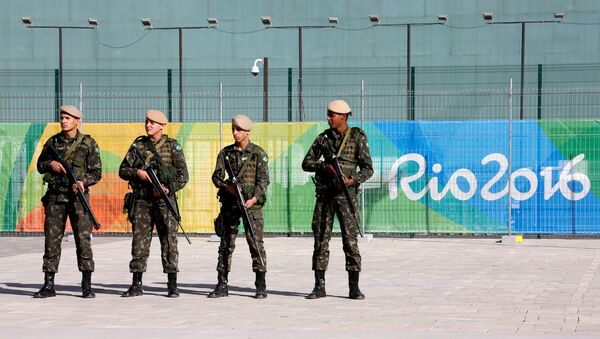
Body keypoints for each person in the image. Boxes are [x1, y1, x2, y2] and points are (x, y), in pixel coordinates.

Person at [302, 99, 374, 300]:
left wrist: (352, 180)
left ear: (343, 116)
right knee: (320, 240)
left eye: (332, 115)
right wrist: (324, 167)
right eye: (328, 114)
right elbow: (306, 162)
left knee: (350, 242)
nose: (328, 118)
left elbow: (368, 169)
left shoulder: (357, 138)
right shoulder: (323, 139)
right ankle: (319, 286)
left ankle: (354, 287)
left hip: (346, 196)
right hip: (325, 196)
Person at [119, 109, 189, 298]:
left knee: (169, 242)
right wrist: (137, 174)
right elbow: (123, 169)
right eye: (147, 122)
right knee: (140, 242)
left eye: (152, 122)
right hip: (142, 200)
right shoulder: (138, 145)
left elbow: (183, 176)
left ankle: (172, 284)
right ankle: (136, 283)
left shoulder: (173, 147)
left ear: (161, 126)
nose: (148, 125)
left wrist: (168, 189)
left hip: (165, 202)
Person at [34, 105, 102, 298]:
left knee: (83, 240)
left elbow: (97, 172)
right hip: (56, 198)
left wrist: (82, 182)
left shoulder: (88, 143)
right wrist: (51, 164)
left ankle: (86, 285)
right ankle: (48, 285)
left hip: (78, 199)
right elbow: (40, 165)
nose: (63, 121)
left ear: (76, 121)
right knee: (52, 241)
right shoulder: (52, 142)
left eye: (67, 118)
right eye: (62, 117)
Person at [209, 114, 270, 299]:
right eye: (233, 129)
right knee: (226, 244)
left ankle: (260, 285)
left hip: (252, 206)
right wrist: (228, 188)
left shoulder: (258, 153)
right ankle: (222, 283)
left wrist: (253, 198)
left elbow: (263, 180)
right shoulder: (226, 153)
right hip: (231, 205)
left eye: (239, 130)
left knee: (256, 244)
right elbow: (216, 177)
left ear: (247, 132)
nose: (235, 133)